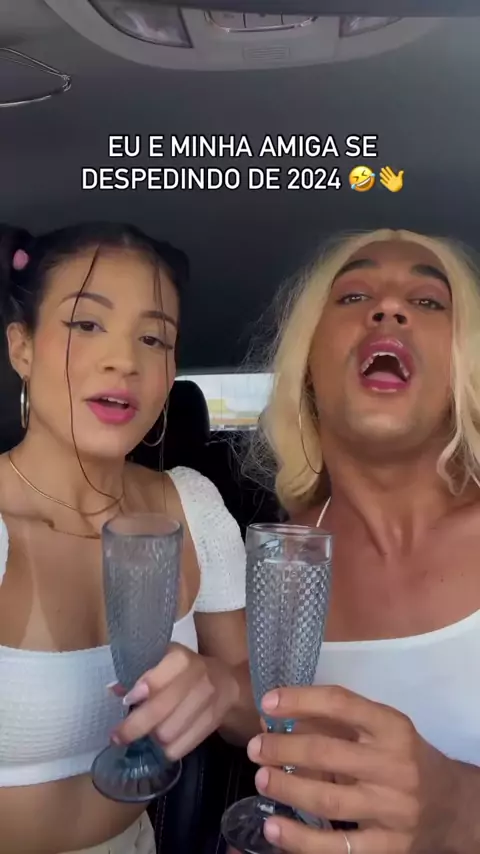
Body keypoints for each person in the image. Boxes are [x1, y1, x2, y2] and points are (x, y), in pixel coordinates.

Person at [0, 222, 256, 854]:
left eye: (153, 338)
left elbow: (259, 712)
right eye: (87, 324)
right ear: (21, 348)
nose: (125, 360)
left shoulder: (193, 508)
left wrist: (222, 687)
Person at [239, 229, 480, 853]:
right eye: (352, 296)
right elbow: (268, 715)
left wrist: (457, 810)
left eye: (428, 301)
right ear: (308, 364)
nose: (388, 308)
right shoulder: (280, 559)